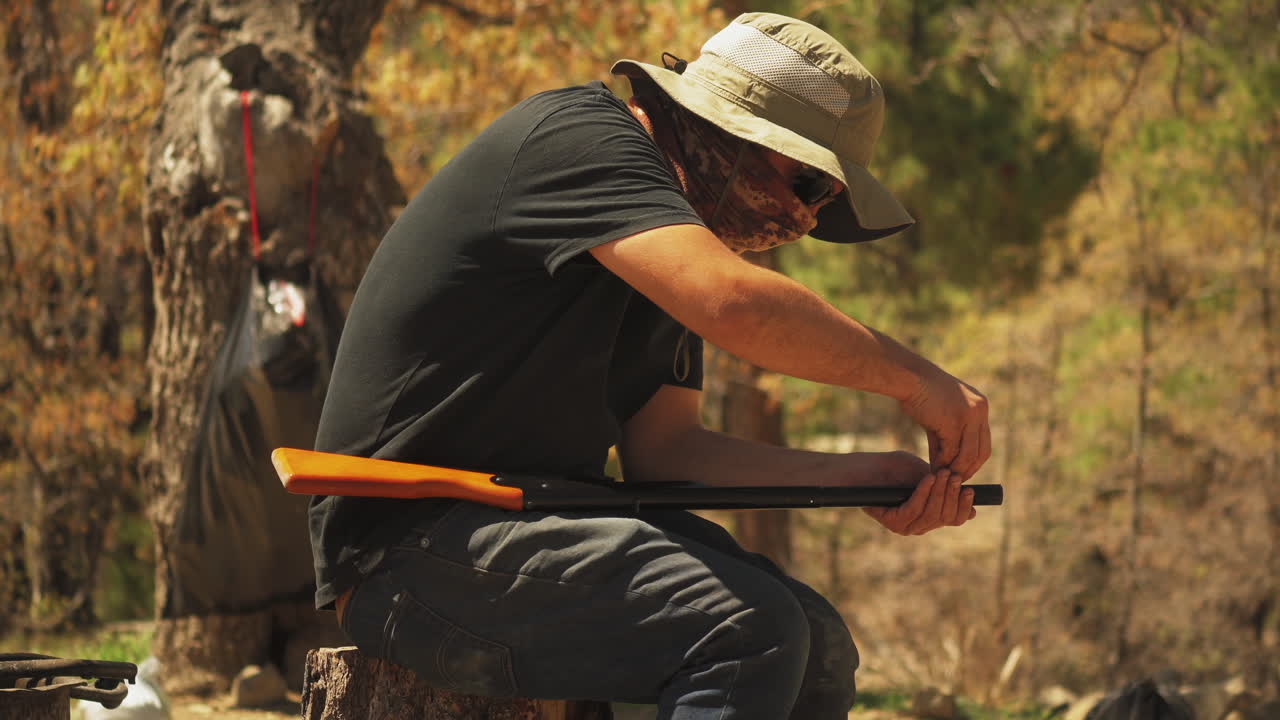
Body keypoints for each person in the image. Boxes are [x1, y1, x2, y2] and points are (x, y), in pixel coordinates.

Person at [309, 12, 990, 719]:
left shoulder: (669, 231)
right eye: (811, 185)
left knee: (817, 644)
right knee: (745, 629)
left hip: (530, 523)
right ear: (735, 129)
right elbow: (737, 307)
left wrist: (860, 478)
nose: (810, 218)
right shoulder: (582, 140)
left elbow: (668, 452)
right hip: (407, 545)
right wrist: (920, 382)